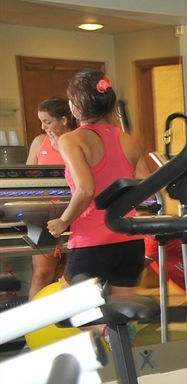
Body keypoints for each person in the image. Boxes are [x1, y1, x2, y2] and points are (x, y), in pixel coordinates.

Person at [47, 70, 150, 295]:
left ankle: (98, 331)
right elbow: (147, 189)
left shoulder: (71, 139)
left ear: (76, 106)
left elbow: (85, 190)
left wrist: (63, 222)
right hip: (128, 240)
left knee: (80, 316)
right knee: (121, 314)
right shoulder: (128, 140)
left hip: (91, 242)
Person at [25, 97, 77, 298]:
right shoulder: (39, 142)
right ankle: (33, 327)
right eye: (41, 122)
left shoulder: (77, 140)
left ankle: (65, 325)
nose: (43, 126)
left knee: (68, 274)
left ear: (64, 120)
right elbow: (28, 179)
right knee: (42, 272)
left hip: (75, 211)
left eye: (47, 122)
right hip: (43, 214)